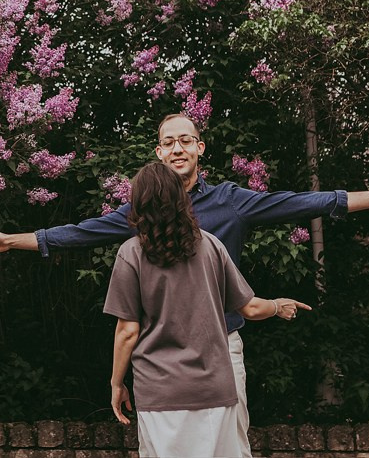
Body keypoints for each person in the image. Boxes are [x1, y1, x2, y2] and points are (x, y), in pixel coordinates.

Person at [0, 113, 369, 458]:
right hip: (160, 365)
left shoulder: (231, 203)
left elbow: (299, 204)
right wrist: (14, 241)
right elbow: (80, 232)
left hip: (221, 350)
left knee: (231, 447)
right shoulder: (140, 219)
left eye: (185, 140)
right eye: (168, 142)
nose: (176, 149)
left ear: (200, 148)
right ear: (158, 152)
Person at [106, 162, 310, 458]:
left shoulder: (131, 253)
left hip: (160, 391)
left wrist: (116, 383)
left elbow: (127, 331)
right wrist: (277, 306)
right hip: (215, 389)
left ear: (139, 203)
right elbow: (250, 308)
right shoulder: (211, 246)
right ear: (181, 200)